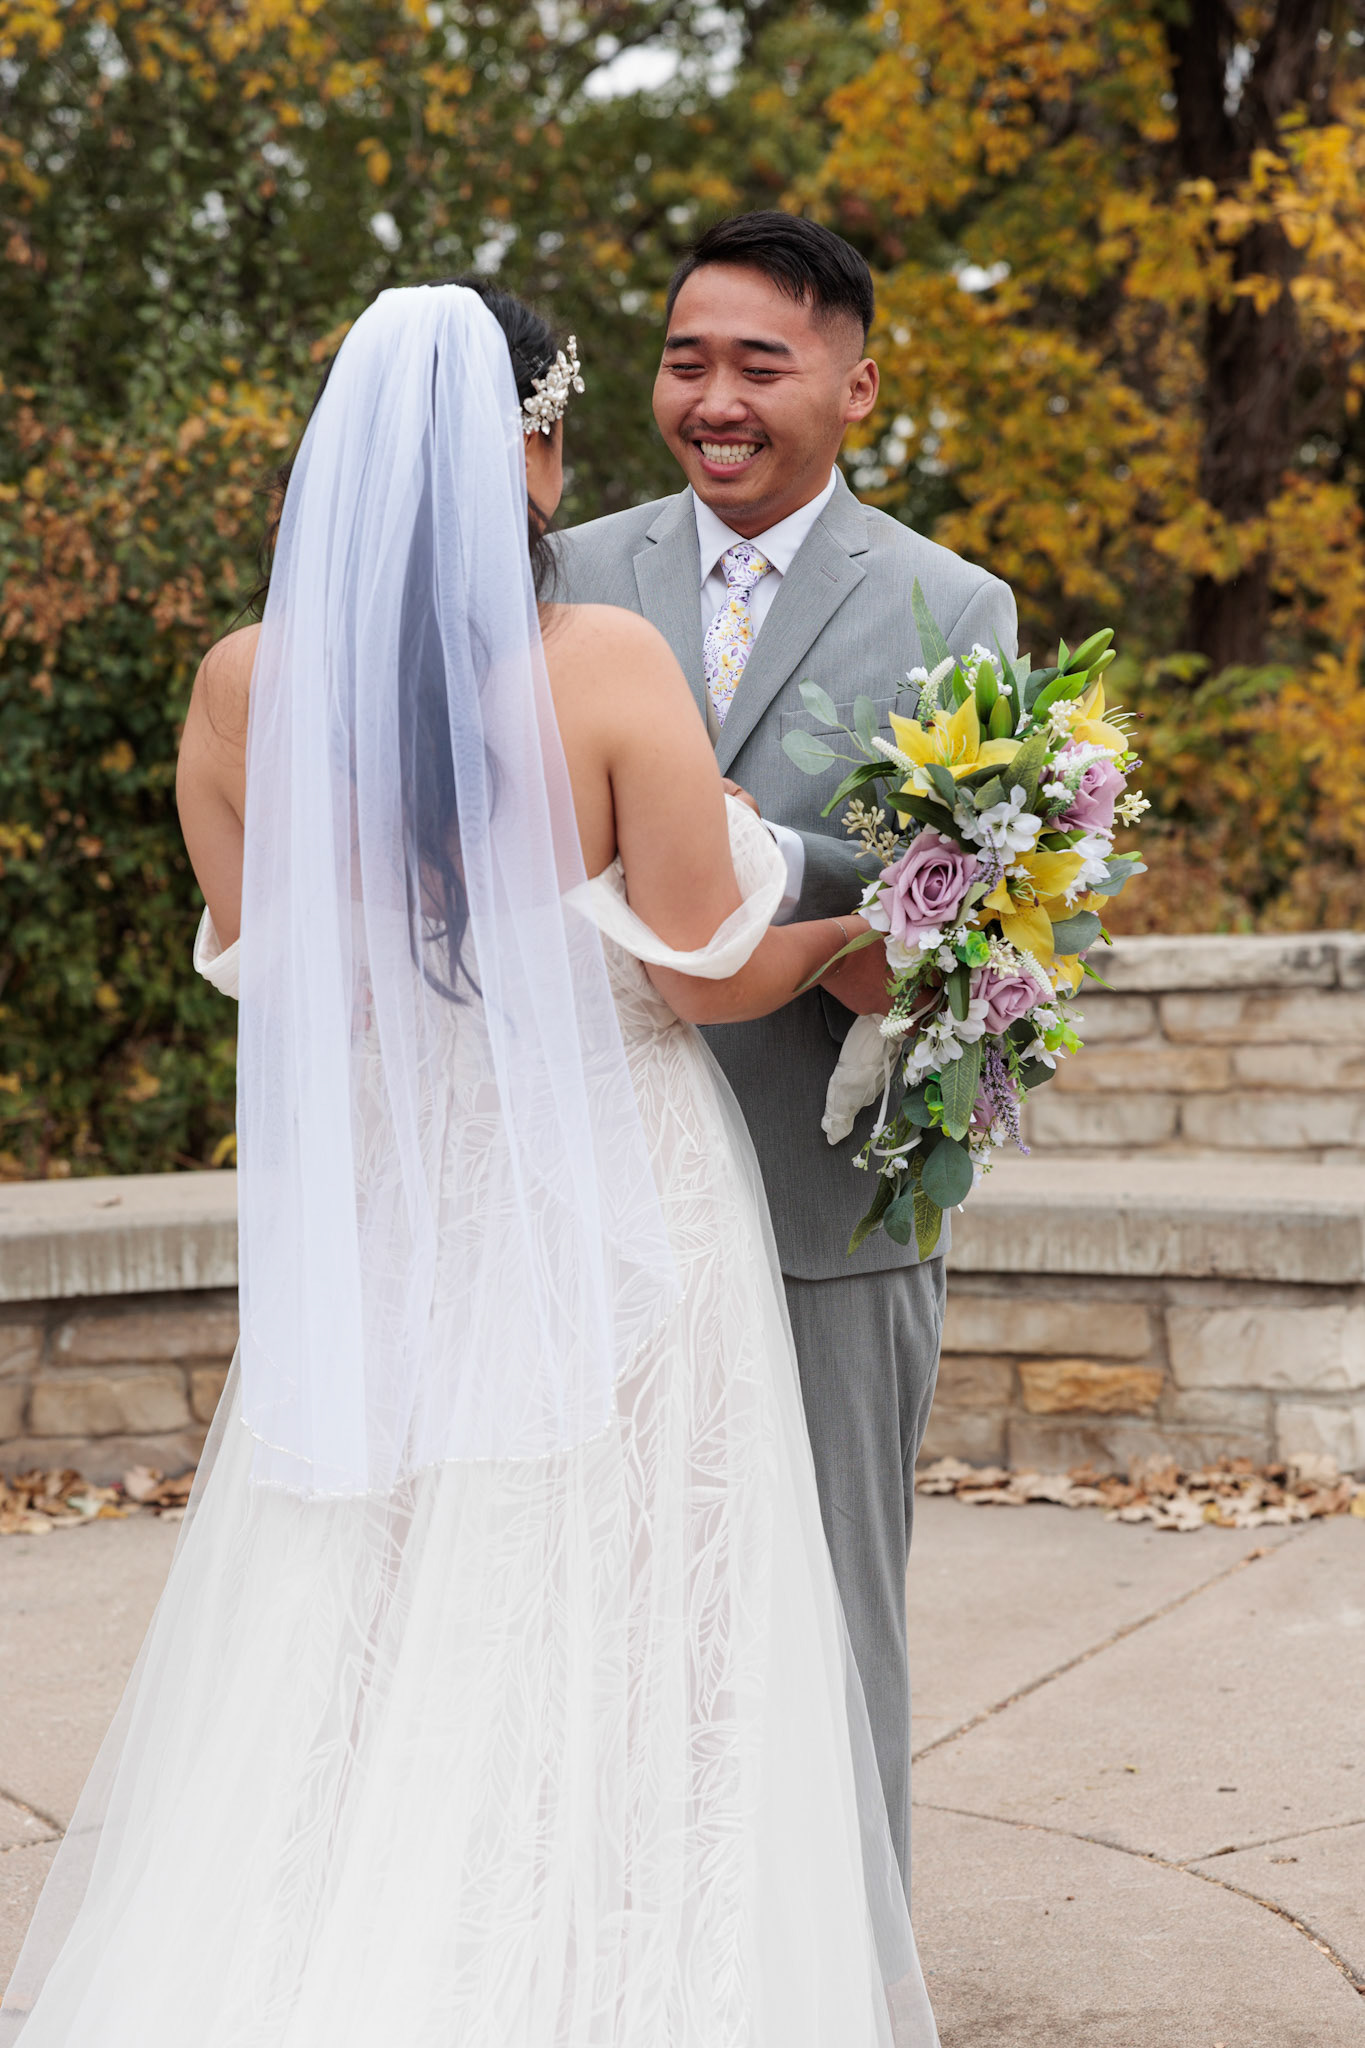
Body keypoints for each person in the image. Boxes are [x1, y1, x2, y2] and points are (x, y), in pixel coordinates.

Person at [0, 282, 937, 2044]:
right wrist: (870, 937)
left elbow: (285, 974)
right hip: (618, 1203)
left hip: (392, 1222)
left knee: (368, 1603)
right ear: (533, 444)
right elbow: (698, 974)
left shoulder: (242, 687)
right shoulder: (601, 665)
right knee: (631, 1618)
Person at [555, 211, 1018, 1885]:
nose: (715, 401)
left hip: (827, 1190)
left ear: (855, 384)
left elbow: (983, 891)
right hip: (593, 1183)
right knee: (599, 1598)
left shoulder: (951, 602)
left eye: (760, 364)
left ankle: (850, 1951)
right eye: (686, 362)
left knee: (829, 1598)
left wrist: (761, 853)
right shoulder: (562, 572)